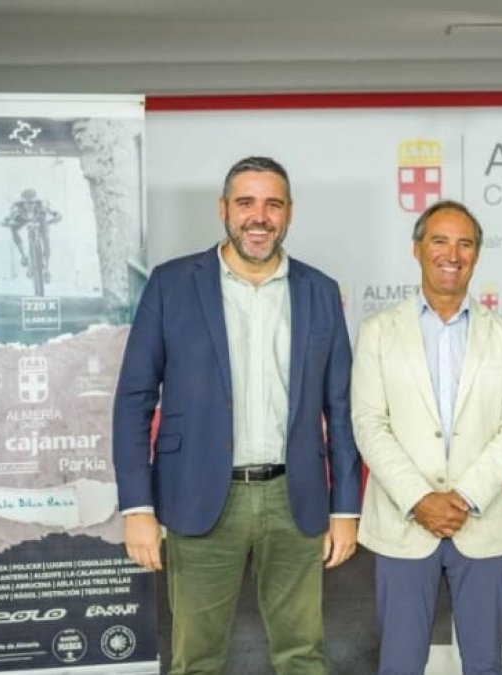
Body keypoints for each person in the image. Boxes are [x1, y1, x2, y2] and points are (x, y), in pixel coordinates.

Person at [112, 156, 361, 675]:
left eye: (272, 204)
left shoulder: (319, 290)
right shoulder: (172, 284)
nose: (259, 216)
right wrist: (137, 506)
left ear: (289, 213)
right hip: (199, 494)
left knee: (302, 655)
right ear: (224, 209)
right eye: (246, 203)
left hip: (293, 498)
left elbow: (340, 409)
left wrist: (345, 510)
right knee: (196, 659)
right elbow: (135, 398)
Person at [350, 199, 502, 675]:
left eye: (465, 243)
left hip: (481, 520)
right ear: (417, 249)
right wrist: (420, 498)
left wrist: (465, 495)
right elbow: (370, 424)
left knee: (485, 665)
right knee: (400, 664)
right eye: (439, 240)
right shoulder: (377, 332)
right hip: (404, 522)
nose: (452, 254)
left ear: (476, 254)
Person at [1, 188, 61, 282]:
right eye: (27, 203)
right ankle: (23, 256)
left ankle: (47, 267)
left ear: (36, 201)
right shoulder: (17, 207)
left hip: (39, 220)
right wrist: (6, 222)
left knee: (45, 235)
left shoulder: (42, 205)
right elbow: (8, 218)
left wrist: (55, 218)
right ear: (22, 202)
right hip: (23, 220)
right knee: (13, 228)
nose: (29, 205)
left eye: (32, 203)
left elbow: (55, 213)